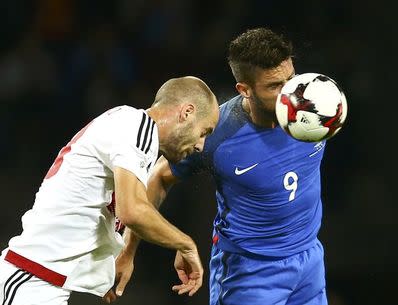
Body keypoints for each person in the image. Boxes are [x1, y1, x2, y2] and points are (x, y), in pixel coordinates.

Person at [117, 28, 331, 304]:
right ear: (245, 90)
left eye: (291, 79)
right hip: (250, 272)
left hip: (310, 260)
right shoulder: (217, 133)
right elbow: (159, 177)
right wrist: (128, 251)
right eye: (275, 86)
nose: (290, 92)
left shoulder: (317, 103)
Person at [0, 76, 219, 304]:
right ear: (187, 112)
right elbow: (132, 210)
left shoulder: (133, 134)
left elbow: (97, 207)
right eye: (204, 132)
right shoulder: (137, 126)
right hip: (29, 280)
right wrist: (186, 244)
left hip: (39, 282)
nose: (200, 146)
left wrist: (112, 261)